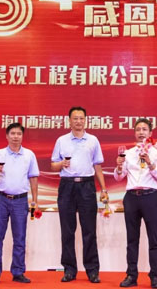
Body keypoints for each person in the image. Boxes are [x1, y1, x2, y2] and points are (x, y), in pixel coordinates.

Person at [50, 106, 109, 283]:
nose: (78, 121)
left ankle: (92, 270)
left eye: (81, 118)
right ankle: (69, 269)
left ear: (85, 120)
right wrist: (61, 164)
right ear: (69, 121)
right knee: (67, 230)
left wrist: (103, 189)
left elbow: (97, 166)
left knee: (89, 230)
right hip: (67, 186)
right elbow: (53, 165)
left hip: (87, 186)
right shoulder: (61, 140)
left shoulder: (93, 140)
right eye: (75, 118)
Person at [114, 118, 157, 289]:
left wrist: (150, 162)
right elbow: (119, 177)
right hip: (131, 198)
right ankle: (131, 275)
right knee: (132, 238)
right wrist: (119, 167)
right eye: (138, 129)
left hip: (150, 197)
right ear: (134, 133)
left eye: (144, 129)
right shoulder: (128, 153)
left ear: (150, 133)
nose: (141, 132)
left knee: (154, 238)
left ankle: (155, 276)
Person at [0, 122, 39, 285]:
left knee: (20, 237)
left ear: (22, 136)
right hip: (0, 199)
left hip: (20, 200)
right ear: (7, 136)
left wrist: (35, 201)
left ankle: (18, 272)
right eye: (13, 134)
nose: (16, 137)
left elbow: (33, 178)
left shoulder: (29, 155)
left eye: (19, 134)